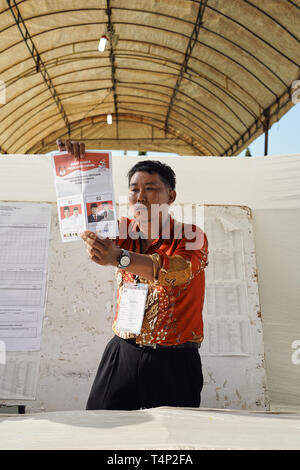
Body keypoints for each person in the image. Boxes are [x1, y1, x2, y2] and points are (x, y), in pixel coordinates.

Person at [56, 139, 209, 411]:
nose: (141, 197)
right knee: (100, 426)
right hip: (122, 351)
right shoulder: (119, 229)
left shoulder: (192, 236)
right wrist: (77, 165)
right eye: (134, 190)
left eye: (150, 189)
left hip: (174, 360)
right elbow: (82, 218)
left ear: (171, 196)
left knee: (170, 440)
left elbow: (178, 271)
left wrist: (119, 257)